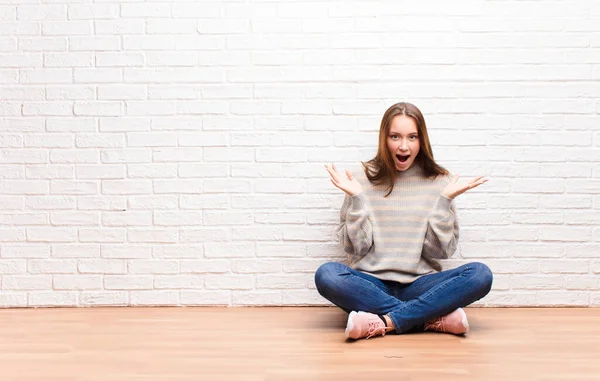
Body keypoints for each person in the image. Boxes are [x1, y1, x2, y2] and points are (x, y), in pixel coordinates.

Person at [315, 102, 493, 340]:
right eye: (395, 136)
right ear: (384, 139)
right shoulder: (358, 179)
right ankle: (429, 317)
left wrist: (444, 201)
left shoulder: (441, 182)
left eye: (412, 137)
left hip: (421, 285)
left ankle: (384, 321)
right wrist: (357, 199)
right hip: (370, 285)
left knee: (480, 274)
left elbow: (441, 251)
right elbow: (354, 248)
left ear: (422, 140)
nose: (403, 145)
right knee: (327, 275)